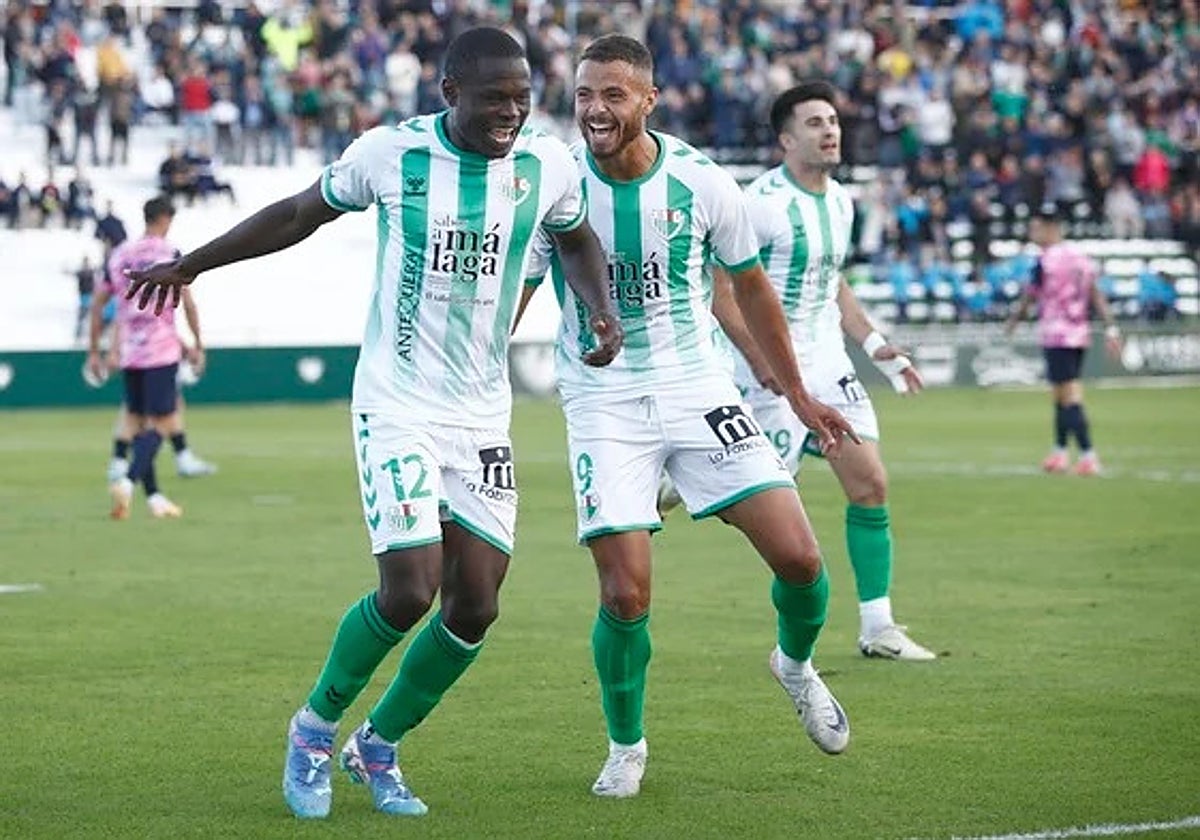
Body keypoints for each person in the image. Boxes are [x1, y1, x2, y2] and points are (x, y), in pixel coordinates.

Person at [123, 27, 622, 820]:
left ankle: (378, 746)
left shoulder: (549, 162)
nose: (513, 110)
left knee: (476, 605)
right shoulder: (390, 155)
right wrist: (194, 265)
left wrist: (599, 309)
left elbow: (577, 239)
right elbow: (296, 214)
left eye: (523, 95)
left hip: (481, 411)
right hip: (397, 401)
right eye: (496, 97)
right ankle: (314, 731)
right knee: (409, 588)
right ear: (451, 94)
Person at [517, 36, 857, 800]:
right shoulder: (555, 182)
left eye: (612, 95)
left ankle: (795, 666)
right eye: (583, 96)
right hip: (604, 403)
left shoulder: (704, 183)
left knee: (801, 562)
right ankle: (625, 746)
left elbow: (750, 289)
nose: (595, 110)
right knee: (624, 595)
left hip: (700, 389)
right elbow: (518, 289)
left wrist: (796, 393)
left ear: (648, 100)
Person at [669, 81, 937, 662]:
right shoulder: (760, 204)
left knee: (870, 483)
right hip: (769, 373)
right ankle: (675, 481)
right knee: (770, 517)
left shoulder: (841, 201)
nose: (830, 130)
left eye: (833, 120)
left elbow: (833, 282)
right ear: (787, 138)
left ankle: (878, 627)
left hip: (829, 363)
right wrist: (759, 359)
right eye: (815, 122)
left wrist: (876, 342)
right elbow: (723, 291)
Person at [86, 195, 197, 520]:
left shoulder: (120, 254)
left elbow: (97, 304)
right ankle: (128, 480)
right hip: (161, 350)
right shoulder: (169, 254)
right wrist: (197, 342)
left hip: (130, 353)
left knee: (137, 425)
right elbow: (187, 302)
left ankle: (155, 498)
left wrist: (95, 349)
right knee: (163, 423)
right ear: (165, 219)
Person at [1005, 203, 1121, 476]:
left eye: (1036, 228)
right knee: (1060, 395)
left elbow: (1029, 298)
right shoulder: (1081, 258)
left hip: (1056, 334)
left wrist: (1013, 323)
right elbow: (1096, 295)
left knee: (1069, 396)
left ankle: (1088, 455)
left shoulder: (1044, 261)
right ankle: (1059, 452)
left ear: (1050, 228)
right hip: (1079, 335)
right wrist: (1111, 328)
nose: (1032, 233)